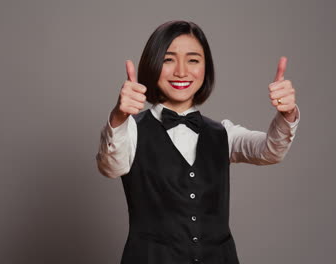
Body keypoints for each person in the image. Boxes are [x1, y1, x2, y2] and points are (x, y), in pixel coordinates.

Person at [96, 20, 300, 264]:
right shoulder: (129, 130)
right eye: (168, 59)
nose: (182, 71)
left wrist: (287, 114)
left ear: (206, 68)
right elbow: (111, 166)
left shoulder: (223, 133)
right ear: (152, 64)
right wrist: (119, 116)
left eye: (193, 60)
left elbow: (271, 150)